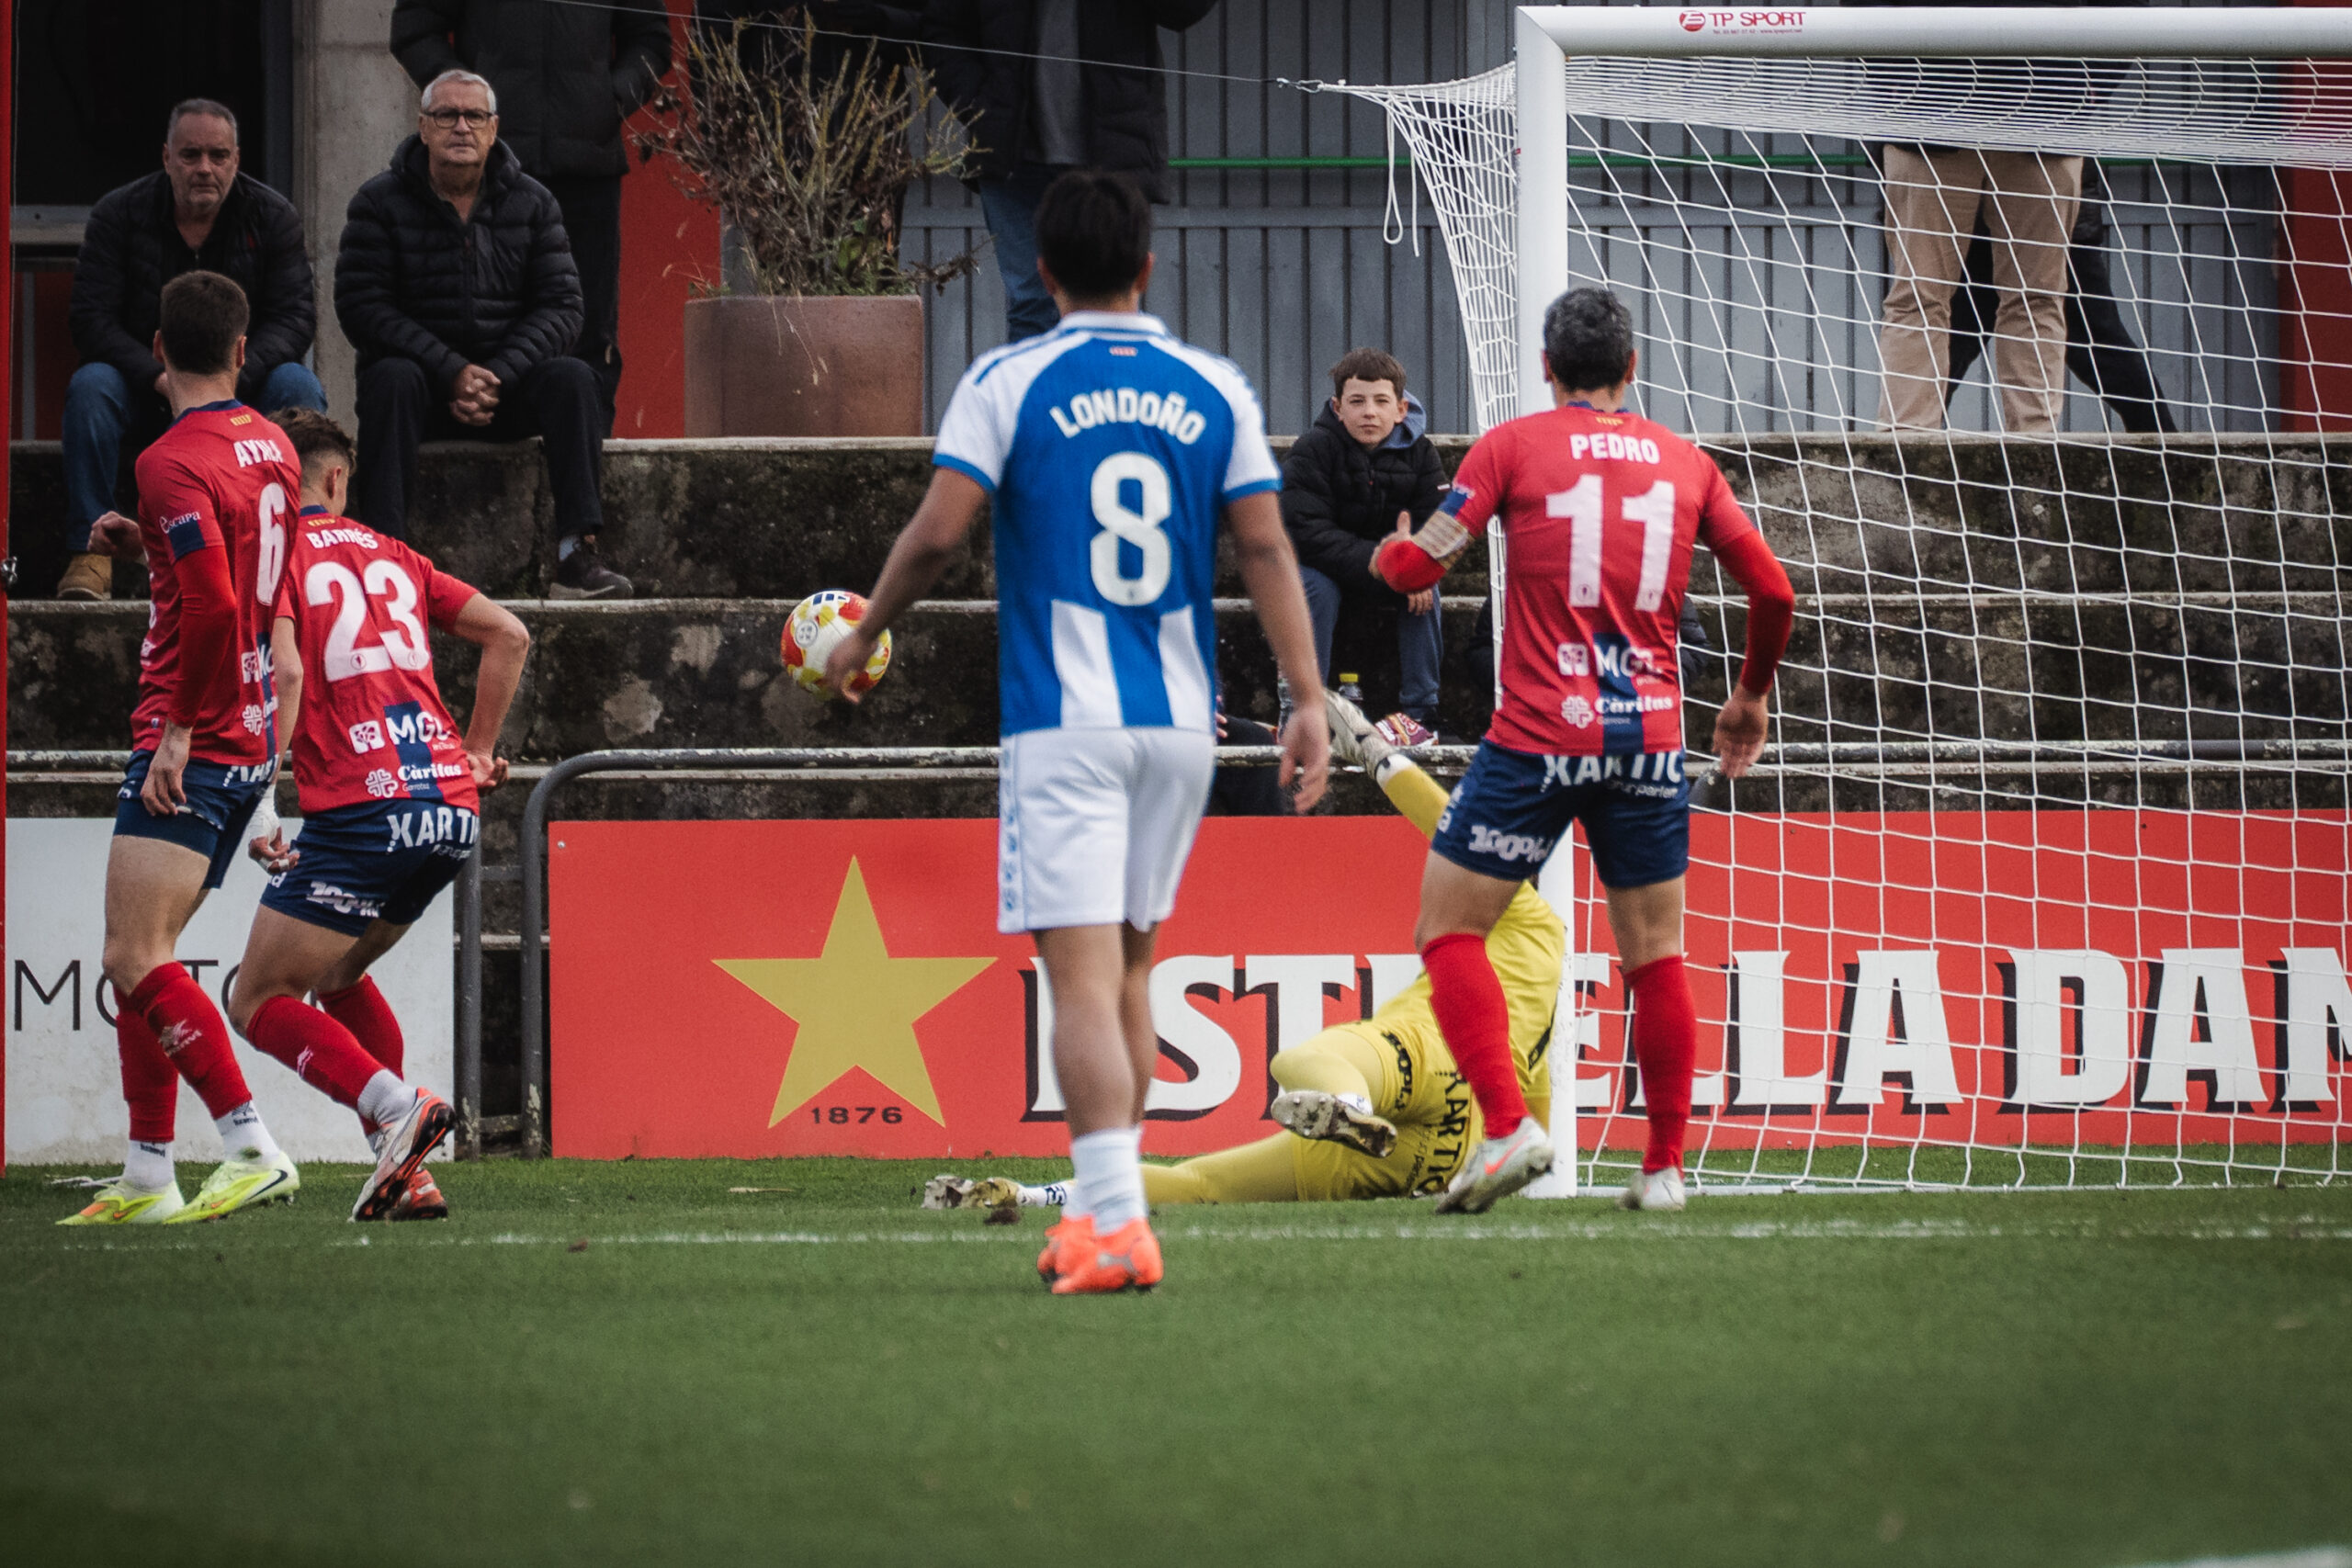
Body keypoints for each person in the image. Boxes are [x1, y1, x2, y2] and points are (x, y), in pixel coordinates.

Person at [824, 171, 1330, 1292]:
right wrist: (1304, 697)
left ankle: (1115, 1226)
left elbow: (937, 534)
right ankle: (1108, 1212)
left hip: (1066, 724)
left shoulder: (1007, 379)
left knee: (1082, 983)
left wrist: (865, 628)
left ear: (1043, 272)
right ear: (1146, 267)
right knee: (1134, 969)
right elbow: (1265, 548)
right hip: (1181, 727)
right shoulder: (1213, 386)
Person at [1373, 287, 1796, 1214]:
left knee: (1447, 930)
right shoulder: (1687, 463)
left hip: (1537, 737)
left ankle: (1507, 1128)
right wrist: (1749, 697)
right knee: (1656, 954)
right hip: (1647, 736)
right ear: (1631, 369)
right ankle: (1664, 1170)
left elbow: (1418, 565)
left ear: (1546, 368)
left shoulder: (1510, 448)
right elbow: (1774, 592)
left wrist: (1384, 555)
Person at [925, 696, 1557, 1213]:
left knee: (1295, 1066)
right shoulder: (1550, 969)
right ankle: (1031, 1196)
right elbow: (1535, 1094)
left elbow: (1445, 822)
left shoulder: (1520, 907)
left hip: (1431, 1058)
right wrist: (1523, 1166)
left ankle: (1353, 1108)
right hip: (1439, 1153)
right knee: (1206, 1182)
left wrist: (1375, 753)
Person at [224, 409, 532, 1223]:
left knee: (256, 999)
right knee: (338, 976)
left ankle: (397, 1108)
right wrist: (475, 751)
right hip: (449, 812)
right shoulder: (398, 554)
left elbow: (287, 671)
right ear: (337, 478)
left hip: (364, 809)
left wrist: (263, 799)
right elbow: (509, 634)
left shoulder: (277, 556)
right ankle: (409, 1173)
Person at [57, 272, 305, 1226]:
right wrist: (149, 546)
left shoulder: (168, 460)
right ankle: (147, 1175)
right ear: (243, 351)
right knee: (145, 957)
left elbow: (212, 601)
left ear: (156, 350)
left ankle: (250, 1145)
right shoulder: (274, 443)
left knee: (130, 952)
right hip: (249, 729)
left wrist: (177, 731)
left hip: (197, 734)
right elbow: (244, 572)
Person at [335, 69, 632, 600]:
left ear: (494, 129)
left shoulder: (533, 202)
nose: (461, 127)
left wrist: (497, 374)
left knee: (574, 378)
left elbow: (563, 308)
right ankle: (385, 558)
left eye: (474, 116)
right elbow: (363, 308)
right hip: (421, 394)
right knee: (389, 378)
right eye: (446, 115)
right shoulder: (377, 203)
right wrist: (450, 371)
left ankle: (576, 554)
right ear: (423, 127)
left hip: (507, 392)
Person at [60, 99, 323, 602]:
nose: (205, 168)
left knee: (298, 385)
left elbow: (295, 319)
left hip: (240, 391)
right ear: (166, 157)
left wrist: (229, 379)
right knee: (91, 387)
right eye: (190, 155)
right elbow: (91, 320)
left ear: (236, 159)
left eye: (218, 156)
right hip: (146, 387)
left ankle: (302, 548)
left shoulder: (273, 217)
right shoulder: (118, 214)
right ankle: (89, 553)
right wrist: (160, 378)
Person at [390, 0, 673, 436]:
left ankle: (589, 453)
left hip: (587, 166)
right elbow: (414, 29)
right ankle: (473, 432)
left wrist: (608, 100)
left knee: (588, 326)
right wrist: (468, 100)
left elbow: (651, 39)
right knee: (479, 316)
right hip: (490, 168)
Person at [924, 1, 1220, 343]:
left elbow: (1185, 11)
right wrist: (982, 108)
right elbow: (941, 29)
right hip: (1014, 157)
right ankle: (1045, 381)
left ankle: (1103, 380)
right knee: (1031, 306)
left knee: (1110, 303)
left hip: (1114, 156)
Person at [1280, 348, 1451, 730]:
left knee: (1425, 589)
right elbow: (1304, 530)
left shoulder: (1422, 454)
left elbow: (1439, 522)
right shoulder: (1312, 450)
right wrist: (1375, 559)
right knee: (1314, 589)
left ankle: (1421, 713)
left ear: (1401, 409)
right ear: (1337, 408)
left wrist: (1416, 565)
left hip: (1392, 570)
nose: (1369, 412)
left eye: (1381, 402)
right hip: (1327, 569)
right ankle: (1305, 707)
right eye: (1357, 401)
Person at [1943, 160, 2178, 434]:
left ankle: (2165, 446)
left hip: (2047, 214)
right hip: (1978, 213)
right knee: (1945, 340)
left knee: (2097, 342)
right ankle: (1910, 446)